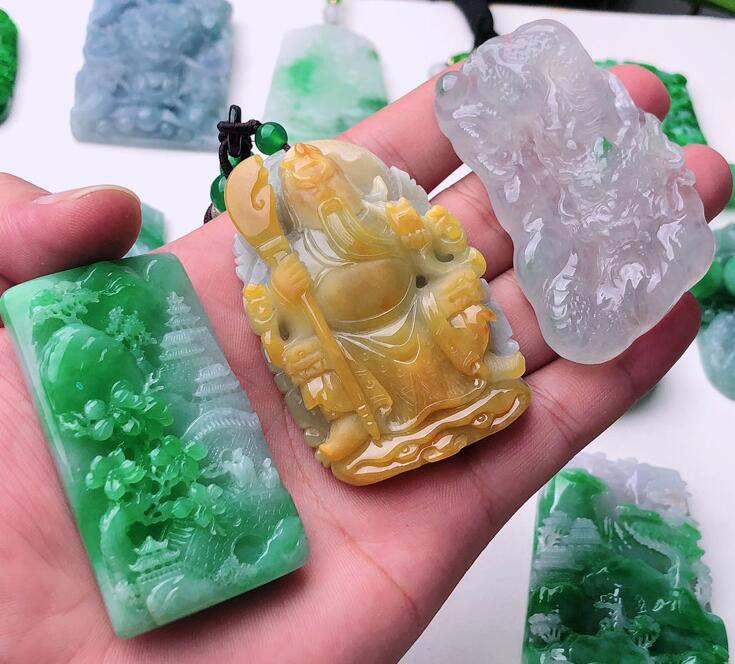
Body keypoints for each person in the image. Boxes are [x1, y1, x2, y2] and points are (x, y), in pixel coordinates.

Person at [0, 65, 731, 662]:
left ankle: (466, 393)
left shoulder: (377, 216)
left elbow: (438, 258)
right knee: (349, 366)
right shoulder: (289, 255)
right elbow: (284, 325)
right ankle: (374, 430)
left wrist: (441, 273)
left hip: (411, 318)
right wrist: (286, 292)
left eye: (326, 185)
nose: (322, 195)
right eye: (309, 193)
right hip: (351, 344)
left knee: (443, 330)